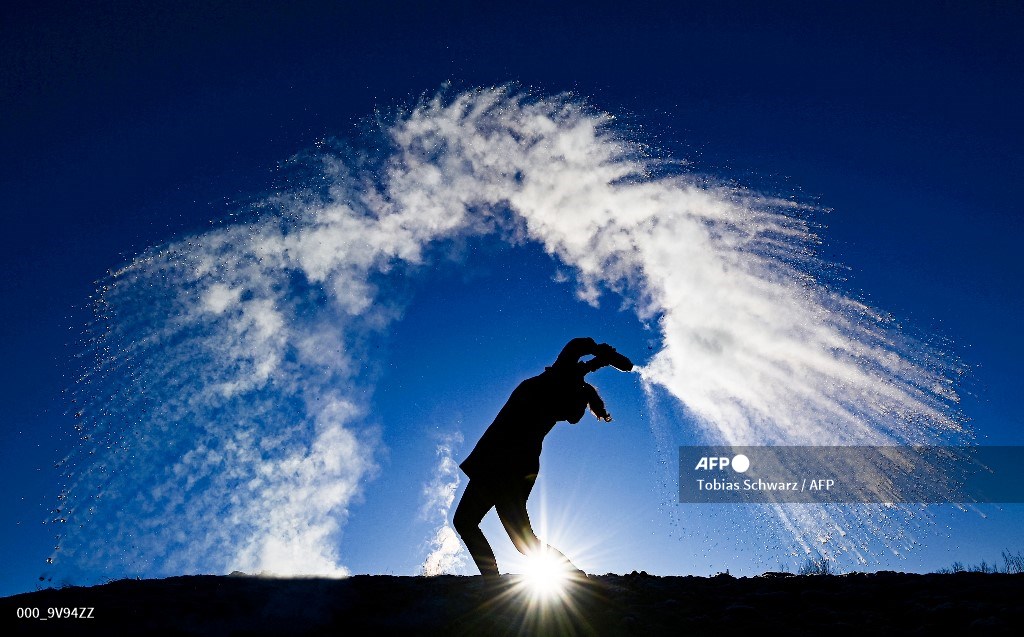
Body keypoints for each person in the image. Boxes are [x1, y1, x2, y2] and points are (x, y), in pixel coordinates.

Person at [453, 337, 633, 582]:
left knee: (469, 522)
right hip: (515, 465)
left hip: (501, 462)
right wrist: (598, 361)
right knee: (522, 541)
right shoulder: (564, 389)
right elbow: (575, 361)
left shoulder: (556, 385)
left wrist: (599, 353)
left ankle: (494, 581)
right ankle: (572, 576)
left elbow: (574, 348)